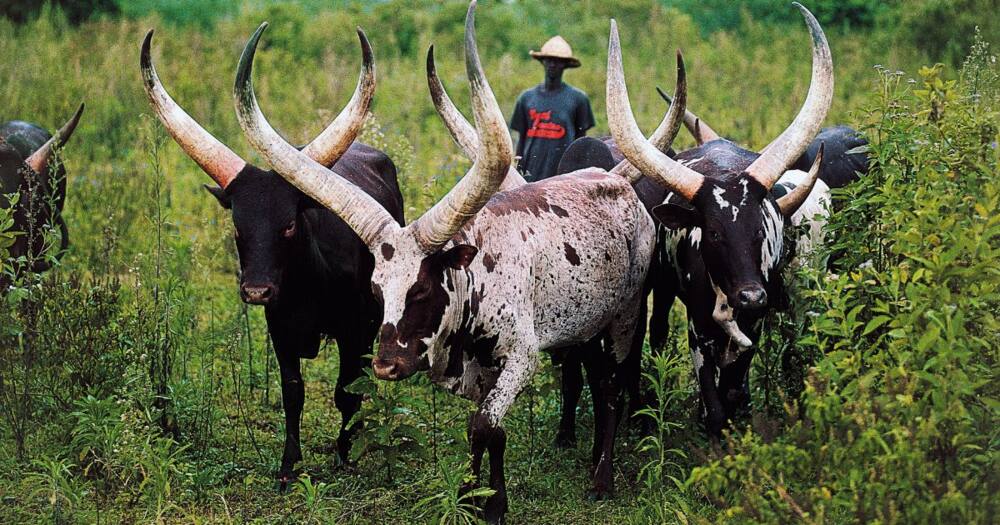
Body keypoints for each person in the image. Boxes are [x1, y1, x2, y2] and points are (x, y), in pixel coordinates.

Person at [510, 36, 595, 182]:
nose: (552, 64)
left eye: (558, 61)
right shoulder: (527, 98)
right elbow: (522, 140)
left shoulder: (578, 99)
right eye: (549, 60)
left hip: (562, 176)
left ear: (565, 64)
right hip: (530, 175)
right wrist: (518, 171)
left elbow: (581, 143)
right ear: (542, 61)